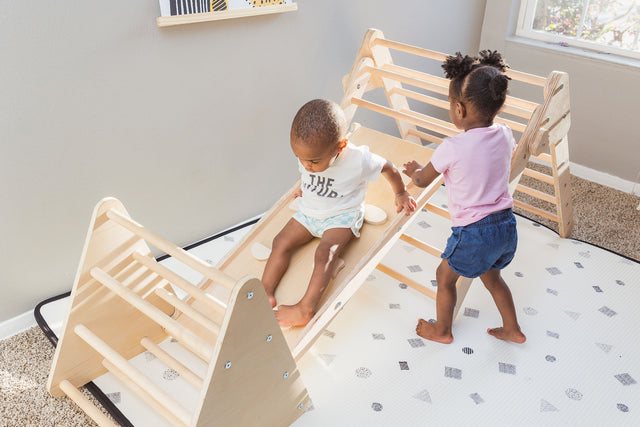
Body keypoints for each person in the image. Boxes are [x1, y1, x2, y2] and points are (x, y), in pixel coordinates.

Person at [402, 51, 526, 344]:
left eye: (449, 104)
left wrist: (413, 171)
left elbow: (422, 180)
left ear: (459, 109)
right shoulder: (505, 133)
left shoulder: (452, 147)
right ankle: (513, 329)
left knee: (444, 277)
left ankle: (442, 331)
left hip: (474, 232)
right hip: (506, 227)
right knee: (493, 278)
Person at [263, 99, 417, 327]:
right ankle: (263, 292)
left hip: (342, 215)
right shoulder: (308, 156)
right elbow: (309, 172)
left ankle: (305, 308)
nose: (306, 165)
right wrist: (305, 186)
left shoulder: (358, 160)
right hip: (310, 212)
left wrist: (401, 193)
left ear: (340, 147)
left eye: (314, 161)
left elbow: (389, 167)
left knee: (325, 253)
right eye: (299, 158)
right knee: (280, 242)